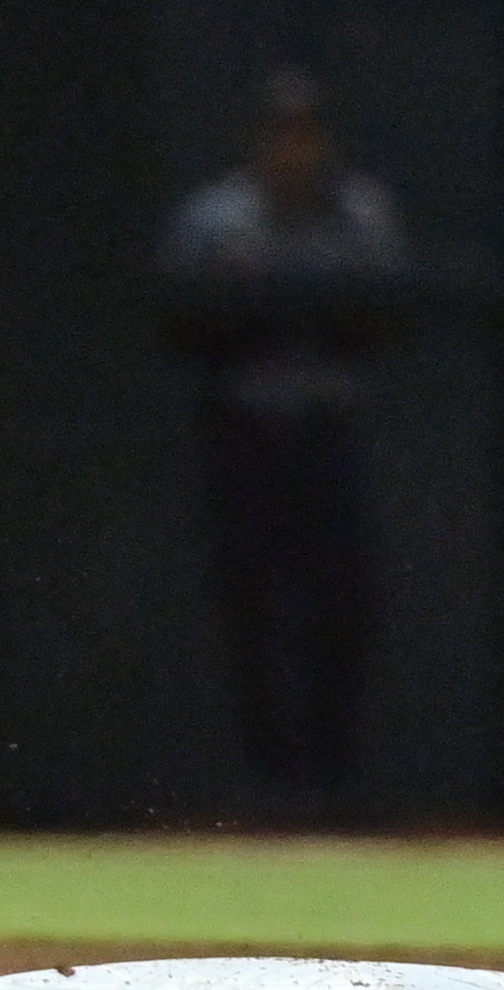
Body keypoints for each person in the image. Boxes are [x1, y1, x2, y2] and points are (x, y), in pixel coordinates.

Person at [160, 73, 414, 797]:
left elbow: (384, 314)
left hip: (327, 436)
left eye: (304, 132)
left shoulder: (357, 214)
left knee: (341, 604)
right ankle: (264, 777)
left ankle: (331, 775)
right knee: (248, 604)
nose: (292, 148)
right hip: (244, 437)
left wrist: (293, 304)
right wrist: (262, 310)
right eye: (280, 133)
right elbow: (182, 319)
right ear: (258, 142)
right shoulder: (218, 219)